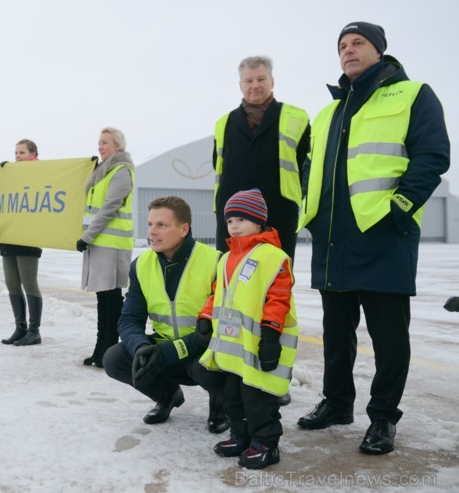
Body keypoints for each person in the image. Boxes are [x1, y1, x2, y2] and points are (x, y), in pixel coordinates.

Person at [297, 22, 450, 456]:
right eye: (342, 46)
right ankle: (337, 403)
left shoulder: (413, 94)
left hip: (384, 236)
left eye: (357, 43)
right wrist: (313, 210)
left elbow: (433, 154)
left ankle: (383, 417)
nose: (348, 51)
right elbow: (311, 166)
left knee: (388, 337)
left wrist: (400, 208)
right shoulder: (328, 112)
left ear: (379, 50)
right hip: (332, 239)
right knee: (335, 332)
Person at [103, 196, 229, 434]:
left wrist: (165, 353)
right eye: (150, 224)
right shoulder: (141, 265)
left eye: (161, 225)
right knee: (114, 358)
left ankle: (220, 405)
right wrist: (142, 348)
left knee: (208, 365)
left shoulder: (215, 261)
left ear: (184, 229)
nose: (152, 232)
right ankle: (167, 395)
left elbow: (220, 326)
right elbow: (129, 319)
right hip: (165, 348)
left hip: (205, 350)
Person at [198, 189, 298, 470]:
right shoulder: (227, 257)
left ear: (259, 222)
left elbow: (279, 299)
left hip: (259, 345)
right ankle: (240, 436)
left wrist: (270, 336)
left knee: (258, 399)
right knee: (232, 397)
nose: (234, 226)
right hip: (233, 347)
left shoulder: (273, 257)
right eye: (230, 221)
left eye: (241, 219)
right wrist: (205, 317)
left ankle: (266, 443)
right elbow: (217, 291)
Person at [213, 55, 310, 261]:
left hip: (279, 214)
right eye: (249, 81)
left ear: (272, 81)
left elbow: (308, 167)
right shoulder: (224, 123)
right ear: (240, 85)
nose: (255, 85)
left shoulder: (297, 118)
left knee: (276, 278)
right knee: (229, 279)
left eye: (261, 79)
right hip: (232, 218)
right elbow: (218, 165)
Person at [77, 127, 135, 367]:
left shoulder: (121, 171)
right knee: (104, 299)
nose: (100, 146)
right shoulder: (101, 172)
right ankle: (101, 348)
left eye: (105, 143)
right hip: (100, 244)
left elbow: (109, 208)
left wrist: (87, 236)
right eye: (99, 142)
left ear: (118, 146)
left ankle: (110, 351)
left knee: (111, 299)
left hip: (111, 244)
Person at [0, 140, 44, 346]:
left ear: (33, 153)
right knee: (12, 283)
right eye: (15, 152)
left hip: (28, 236)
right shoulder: (10, 175)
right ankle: (20, 328)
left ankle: (34, 331)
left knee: (29, 283)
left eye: (22, 152)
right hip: (9, 236)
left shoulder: (40, 172)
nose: (17, 156)